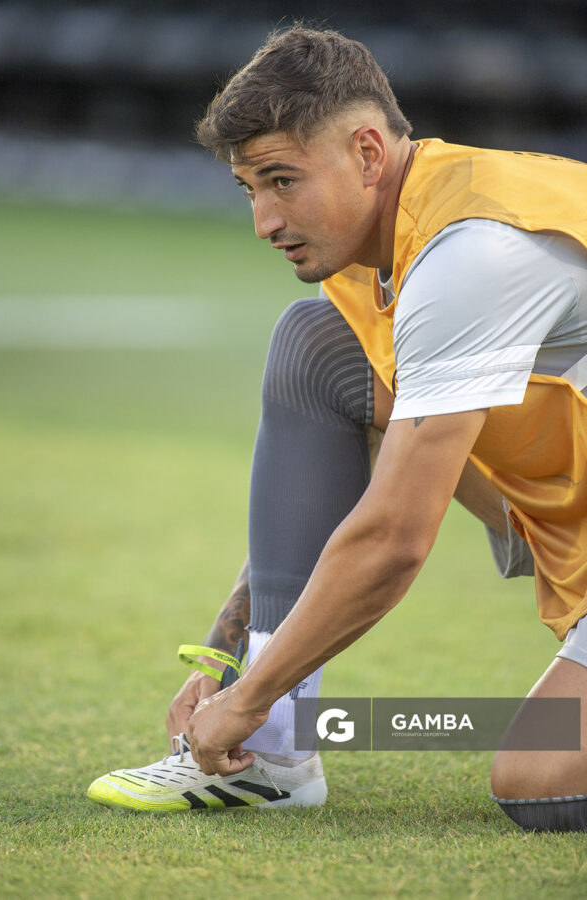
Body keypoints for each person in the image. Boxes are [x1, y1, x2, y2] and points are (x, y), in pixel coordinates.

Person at [87, 25, 587, 830]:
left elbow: (393, 538)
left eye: (282, 180)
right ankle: (278, 753)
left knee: (537, 773)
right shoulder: (385, 242)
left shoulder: (471, 256)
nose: (263, 219)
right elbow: (330, 499)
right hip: (561, 514)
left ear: (365, 153)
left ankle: (272, 724)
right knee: (319, 348)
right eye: (250, 188)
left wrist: (245, 701)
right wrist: (232, 661)